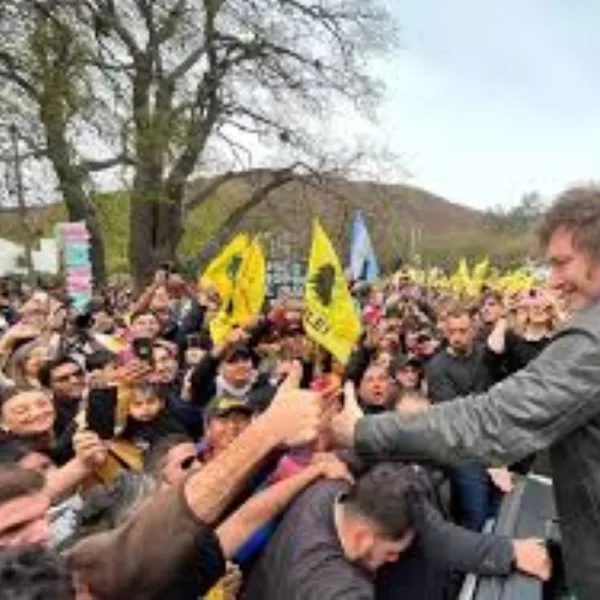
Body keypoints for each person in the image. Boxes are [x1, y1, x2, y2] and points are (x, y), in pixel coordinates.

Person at [331, 186, 600, 598]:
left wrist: (363, 431)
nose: (554, 282)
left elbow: (491, 421)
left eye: (563, 264)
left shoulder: (591, 341)